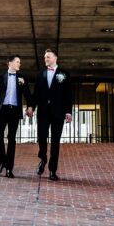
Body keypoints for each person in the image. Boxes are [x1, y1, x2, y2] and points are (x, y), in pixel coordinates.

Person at [30, 48, 72, 181]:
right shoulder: (40, 74)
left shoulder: (64, 74)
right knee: (41, 137)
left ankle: (52, 170)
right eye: (44, 57)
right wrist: (31, 107)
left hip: (58, 112)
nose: (45, 59)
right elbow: (36, 93)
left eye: (48, 57)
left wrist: (68, 111)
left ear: (55, 58)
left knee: (55, 142)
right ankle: (43, 159)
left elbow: (68, 94)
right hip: (42, 112)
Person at [0, 54, 31, 178]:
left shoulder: (22, 78)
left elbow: (27, 94)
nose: (19, 64)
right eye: (17, 62)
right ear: (10, 63)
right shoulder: (1, 77)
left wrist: (30, 106)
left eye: (19, 62)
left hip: (14, 112)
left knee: (12, 139)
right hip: (2, 110)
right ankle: (1, 163)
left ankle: (9, 169)